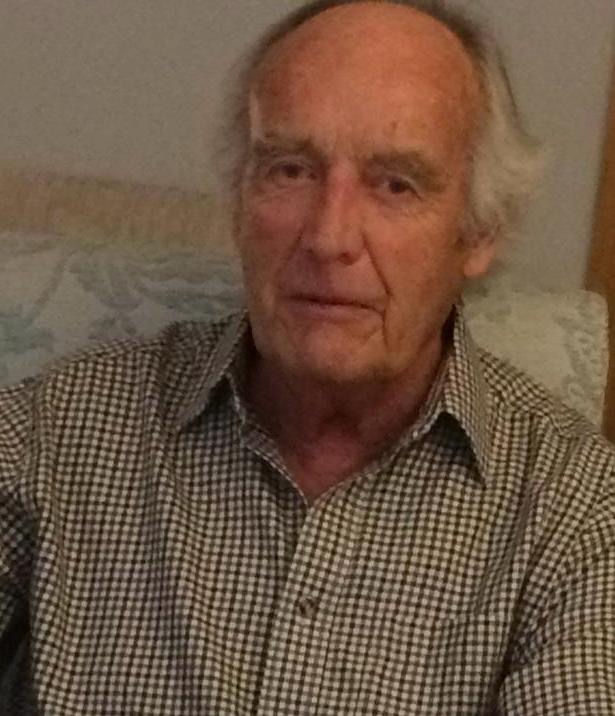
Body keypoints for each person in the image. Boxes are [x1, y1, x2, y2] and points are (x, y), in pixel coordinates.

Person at [1, 1, 614, 713]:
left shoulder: (575, 513)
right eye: (290, 170)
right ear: (239, 202)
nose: (329, 236)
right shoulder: (55, 433)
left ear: (479, 232)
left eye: (396, 184)